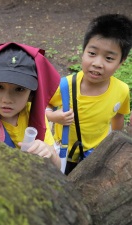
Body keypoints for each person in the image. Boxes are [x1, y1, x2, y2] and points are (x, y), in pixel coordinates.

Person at [46, 14, 132, 175]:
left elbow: (119, 117)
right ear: (83, 51)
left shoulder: (122, 90)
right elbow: (43, 106)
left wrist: (112, 145)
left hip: (96, 155)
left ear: (121, 61)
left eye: (108, 58)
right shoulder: (64, 86)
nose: (97, 63)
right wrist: (53, 117)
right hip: (64, 154)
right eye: (92, 53)